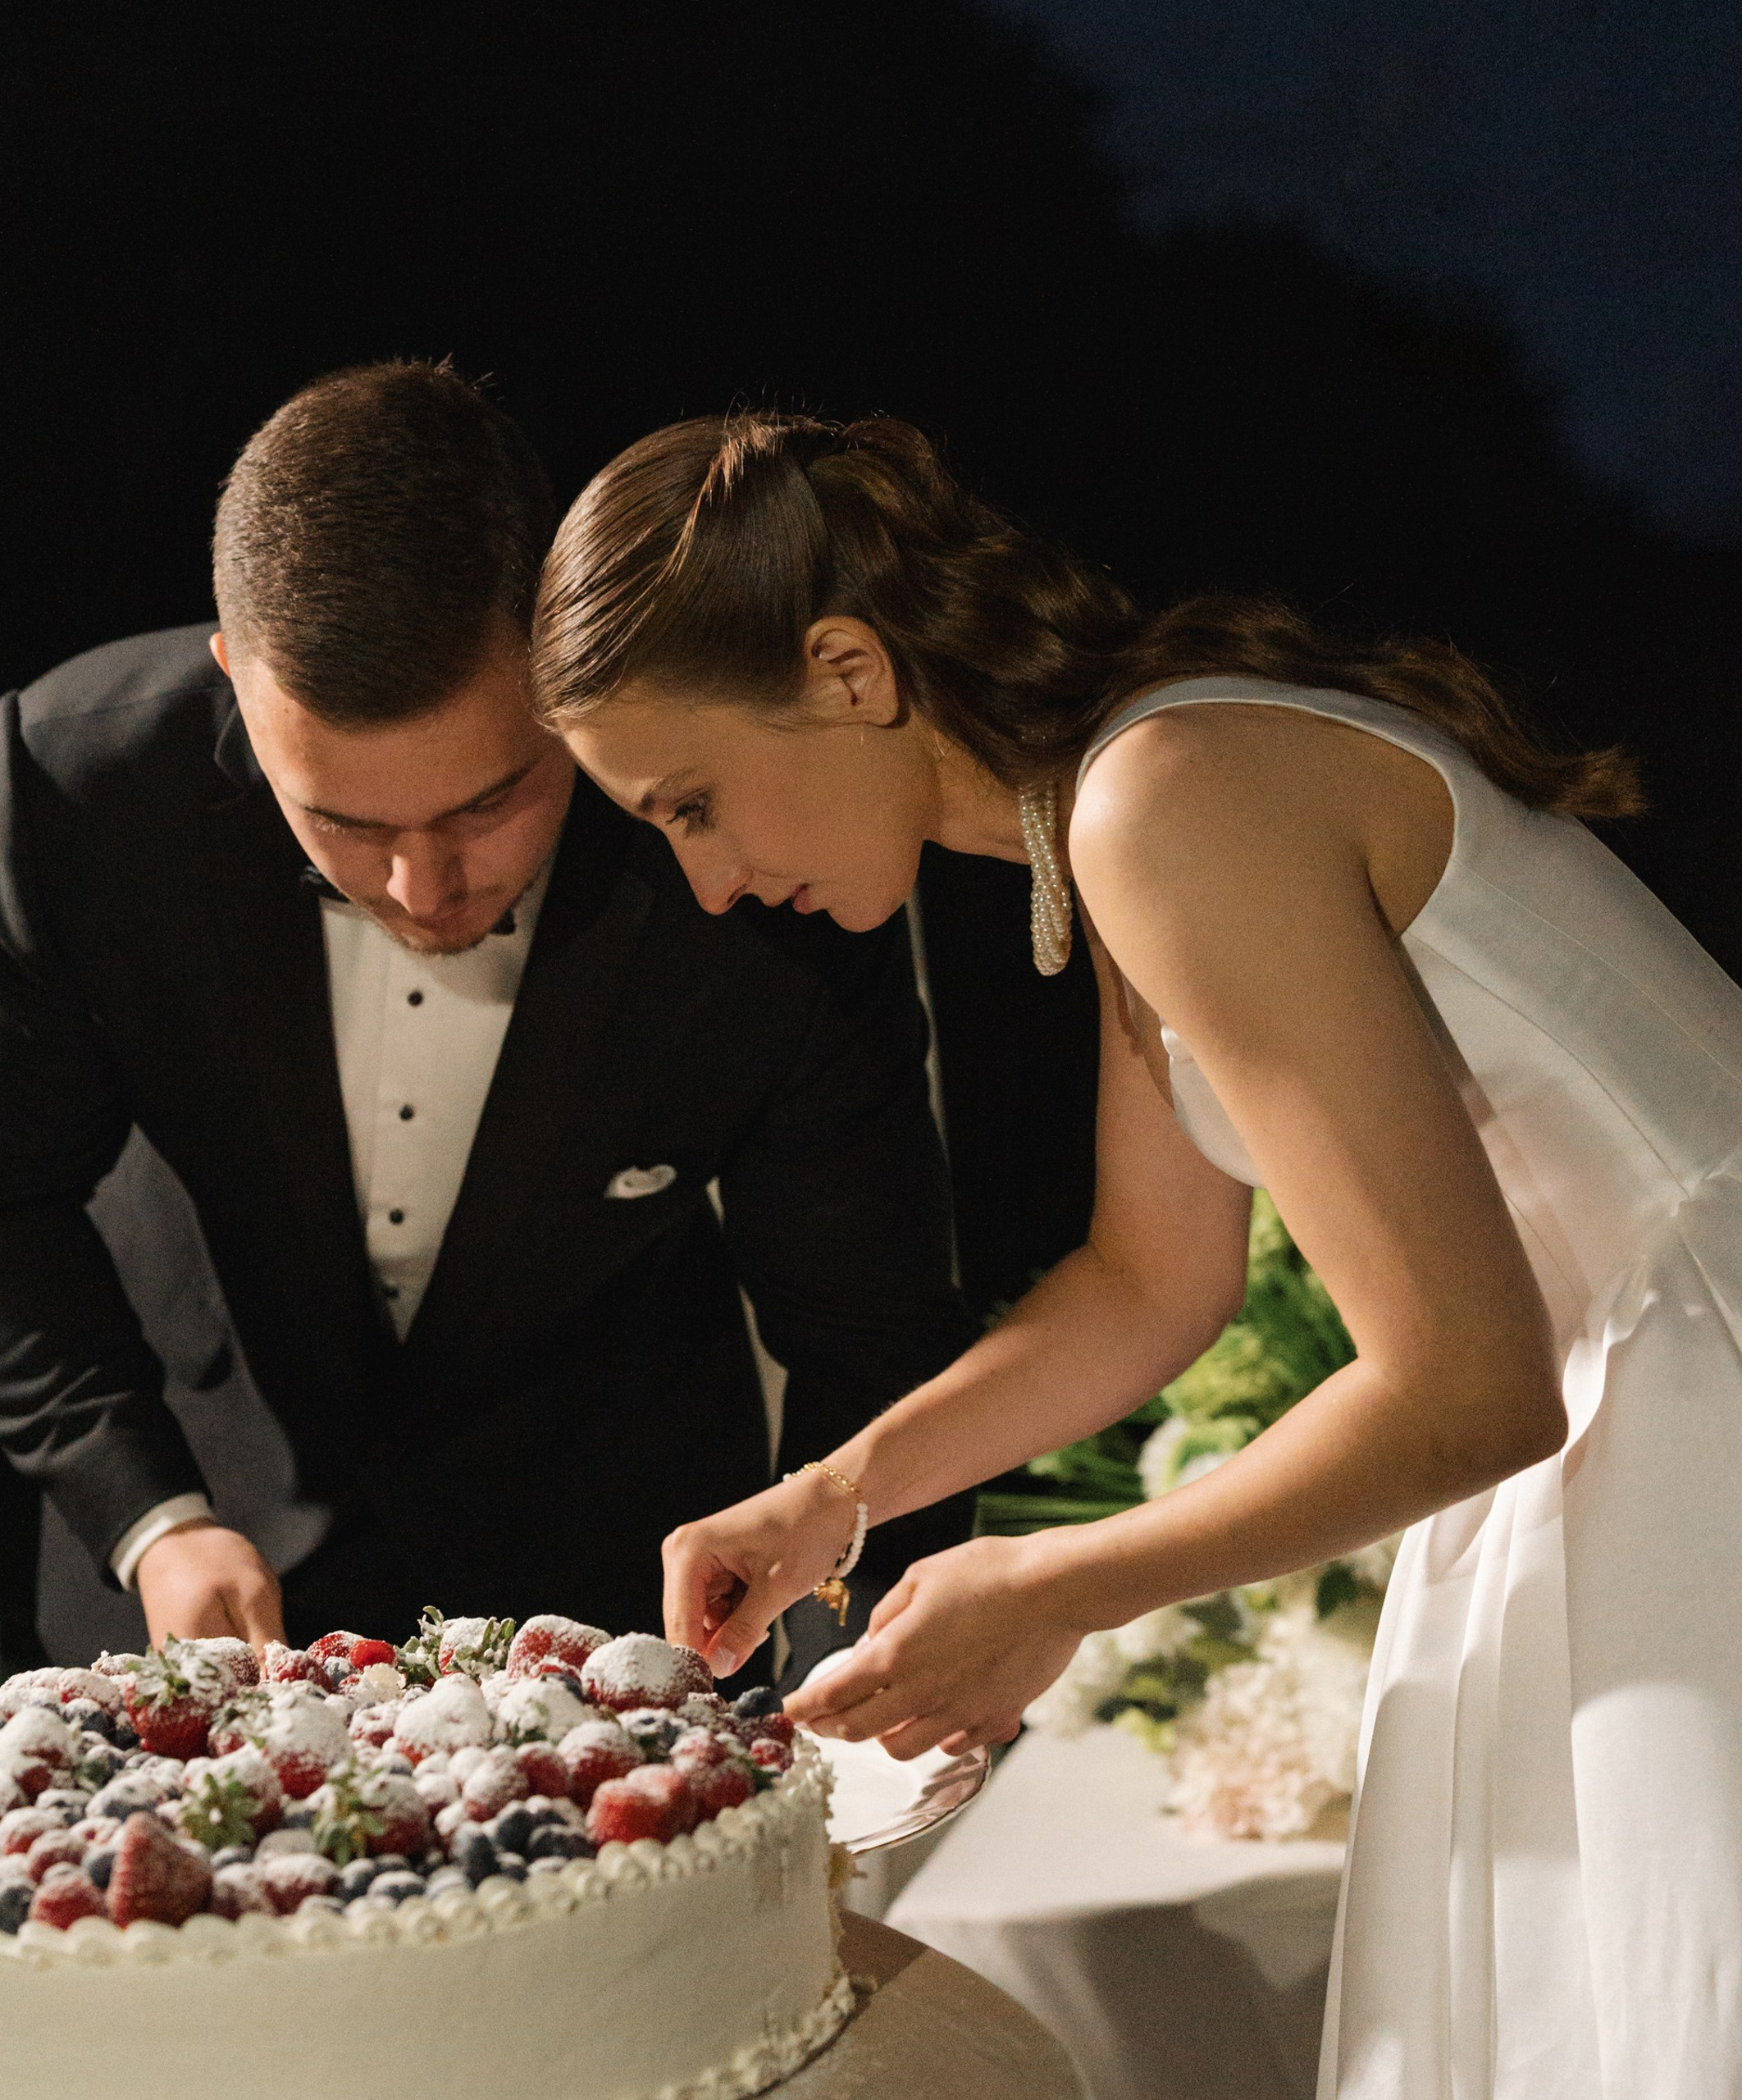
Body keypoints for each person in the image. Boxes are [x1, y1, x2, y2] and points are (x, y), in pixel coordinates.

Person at [527, 409, 1742, 2097]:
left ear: (846, 669)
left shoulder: (1163, 799)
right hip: (1622, 1420)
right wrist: (834, 1494)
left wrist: (1057, 1586)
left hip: (1696, 1412)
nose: (712, 882)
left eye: (693, 802)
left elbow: (1471, 1388)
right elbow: (1147, 1282)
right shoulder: (1116, 797)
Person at [0, 365, 973, 1668]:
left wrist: (850, 1679)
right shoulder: (75, 793)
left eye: (484, 803)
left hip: (630, 1604)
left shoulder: (747, 849)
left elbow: (871, 1331)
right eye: (343, 822)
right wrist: (152, 1519)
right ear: (238, 681)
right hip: (194, 1591)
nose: (424, 887)